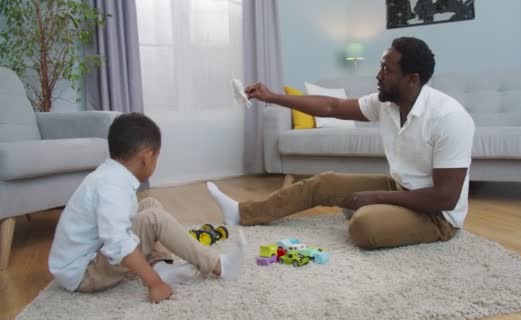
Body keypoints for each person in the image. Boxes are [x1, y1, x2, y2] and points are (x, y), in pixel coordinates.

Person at [208, 37, 475, 250]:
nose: (379, 76)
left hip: (437, 216)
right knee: (324, 183)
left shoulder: (449, 118)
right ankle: (241, 213)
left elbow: (446, 198)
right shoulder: (387, 104)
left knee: (364, 227)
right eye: (381, 66)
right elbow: (331, 105)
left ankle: (377, 210)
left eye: (387, 69)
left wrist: (378, 197)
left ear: (412, 79)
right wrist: (272, 97)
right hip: (402, 187)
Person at [48, 113, 243, 304]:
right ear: (146, 157)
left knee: (150, 205)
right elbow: (117, 244)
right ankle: (219, 265)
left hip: (91, 253)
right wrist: (154, 283)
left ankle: (160, 266)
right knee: (154, 218)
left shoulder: (111, 175)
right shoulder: (112, 186)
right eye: (157, 158)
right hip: (84, 273)